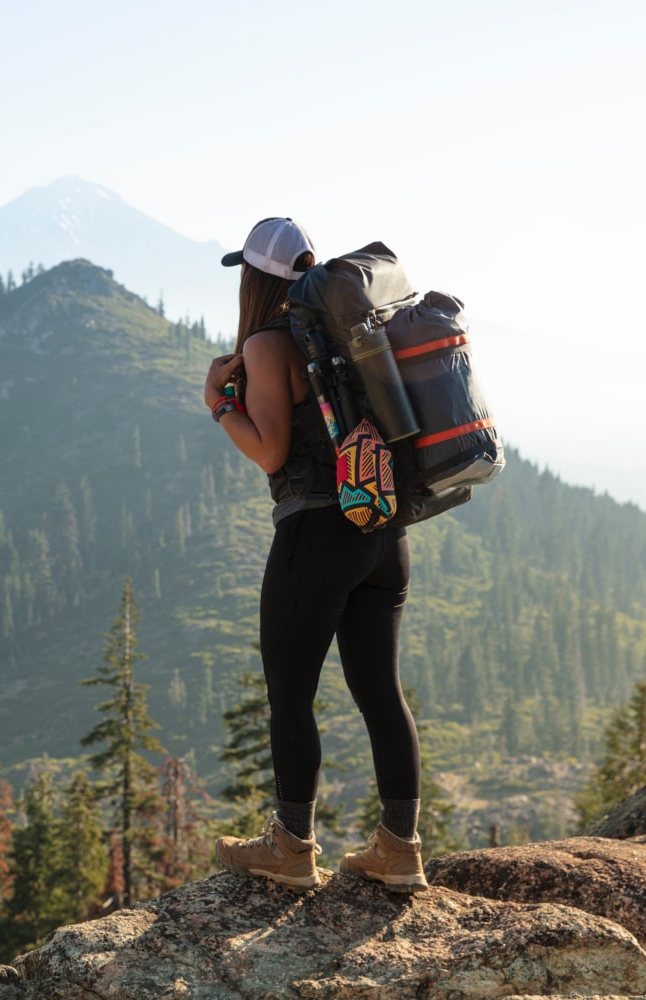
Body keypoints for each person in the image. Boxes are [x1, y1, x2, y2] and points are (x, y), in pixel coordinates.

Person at [206, 217, 428, 893]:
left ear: (253, 278)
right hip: (383, 529)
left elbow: (271, 451)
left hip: (317, 534)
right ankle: (400, 849)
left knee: (291, 693)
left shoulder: (268, 344)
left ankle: (291, 847)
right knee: (381, 693)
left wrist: (219, 405)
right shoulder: (346, 332)